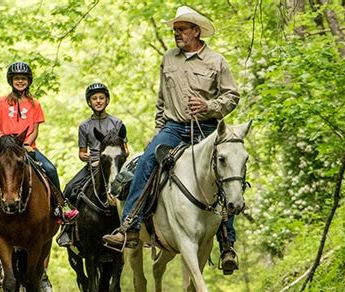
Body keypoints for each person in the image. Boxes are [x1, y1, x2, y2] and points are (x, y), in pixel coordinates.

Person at [102, 6, 241, 274]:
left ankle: (227, 245)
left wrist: (209, 106)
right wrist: (158, 131)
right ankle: (129, 227)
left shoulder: (216, 61)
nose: (176, 34)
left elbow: (232, 96)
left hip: (208, 128)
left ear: (196, 31)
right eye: (175, 30)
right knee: (144, 164)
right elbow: (161, 100)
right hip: (174, 127)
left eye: (181, 30)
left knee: (225, 174)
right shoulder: (168, 58)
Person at [0, 61, 78, 225]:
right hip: (4, 148)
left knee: (51, 169)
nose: (20, 81)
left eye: (23, 78)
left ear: (28, 81)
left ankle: (60, 206)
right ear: (11, 80)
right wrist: (5, 143)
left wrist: (25, 144)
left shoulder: (35, 104)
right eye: (17, 78)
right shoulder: (0, 102)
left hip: (27, 147)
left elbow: (35, 130)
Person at [57, 82, 128, 247]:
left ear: (107, 100)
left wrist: (115, 157)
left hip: (114, 163)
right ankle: (69, 228)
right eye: (94, 98)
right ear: (89, 102)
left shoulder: (117, 123)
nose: (98, 101)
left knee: (135, 187)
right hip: (94, 163)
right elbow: (82, 153)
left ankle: (135, 226)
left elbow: (125, 149)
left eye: (101, 98)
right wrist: (88, 158)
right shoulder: (84, 126)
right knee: (69, 188)